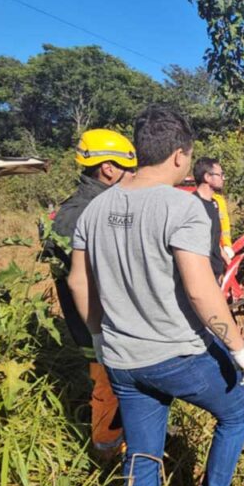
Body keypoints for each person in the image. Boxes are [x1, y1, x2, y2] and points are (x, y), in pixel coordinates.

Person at [68, 104, 244, 486]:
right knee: (237, 411)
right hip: (177, 358)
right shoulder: (182, 207)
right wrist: (238, 347)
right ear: (179, 155)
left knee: (142, 449)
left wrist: (99, 336)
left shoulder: (94, 209)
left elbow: (78, 283)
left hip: (120, 358)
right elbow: (200, 289)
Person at [48, 128, 137, 456]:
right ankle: (108, 449)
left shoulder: (95, 204)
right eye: (129, 169)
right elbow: (88, 277)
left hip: (103, 319)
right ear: (108, 169)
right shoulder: (83, 213)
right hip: (95, 323)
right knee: (109, 385)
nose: (133, 176)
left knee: (122, 383)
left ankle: (132, 432)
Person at [192, 157, 230, 280]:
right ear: (207, 177)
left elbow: (214, 241)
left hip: (215, 274)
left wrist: (228, 262)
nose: (223, 178)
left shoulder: (214, 204)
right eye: (220, 175)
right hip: (202, 276)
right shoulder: (192, 206)